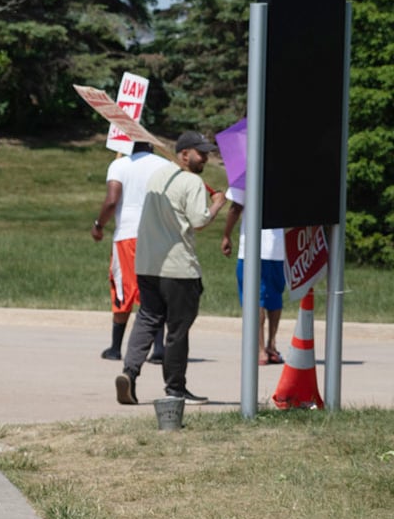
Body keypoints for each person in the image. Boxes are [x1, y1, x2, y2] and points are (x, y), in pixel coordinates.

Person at [116, 131, 227, 405]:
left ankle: (130, 372)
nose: (205, 157)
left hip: (147, 264)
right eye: (200, 152)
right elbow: (199, 221)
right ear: (184, 154)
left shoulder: (157, 177)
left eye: (207, 152)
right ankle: (175, 388)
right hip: (179, 268)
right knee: (178, 330)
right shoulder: (192, 183)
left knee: (147, 318)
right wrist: (217, 205)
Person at [91, 142, 169, 363]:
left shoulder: (119, 165)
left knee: (123, 289)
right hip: (156, 234)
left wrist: (98, 225)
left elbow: (112, 200)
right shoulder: (164, 165)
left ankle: (116, 347)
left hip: (127, 234)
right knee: (153, 288)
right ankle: (159, 348)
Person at [220, 187, 287, 365]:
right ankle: (272, 345)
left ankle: (260, 351)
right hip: (277, 248)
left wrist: (226, 234)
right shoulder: (284, 174)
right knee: (274, 297)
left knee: (254, 299)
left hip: (251, 248)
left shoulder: (246, 172)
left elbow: (235, 207)